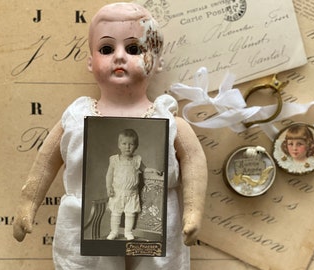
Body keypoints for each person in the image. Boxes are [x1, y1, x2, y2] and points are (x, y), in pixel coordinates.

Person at [13, 2, 208, 270]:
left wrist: (193, 212)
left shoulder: (166, 119)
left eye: (133, 49)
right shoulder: (77, 116)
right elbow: (46, 160)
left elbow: (194, 161)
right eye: (106, 49)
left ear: (158, 62)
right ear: (91, 62)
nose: (119, 56)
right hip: (87, 219)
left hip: (154, 221)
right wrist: (28, 203)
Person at [106, 128, 158, 241]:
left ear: (136, 146)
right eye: (124, 143)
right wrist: (109, 187)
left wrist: (152, 170)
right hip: (117, 192)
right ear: (119, 145)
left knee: (130, 214)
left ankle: (128, 232)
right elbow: (109, 175)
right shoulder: (114, 160)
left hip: (131, 194)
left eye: (131, 144)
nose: (127, 147)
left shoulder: (136, 160)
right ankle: (114, 232)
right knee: (115, 213)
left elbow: (145, 169)